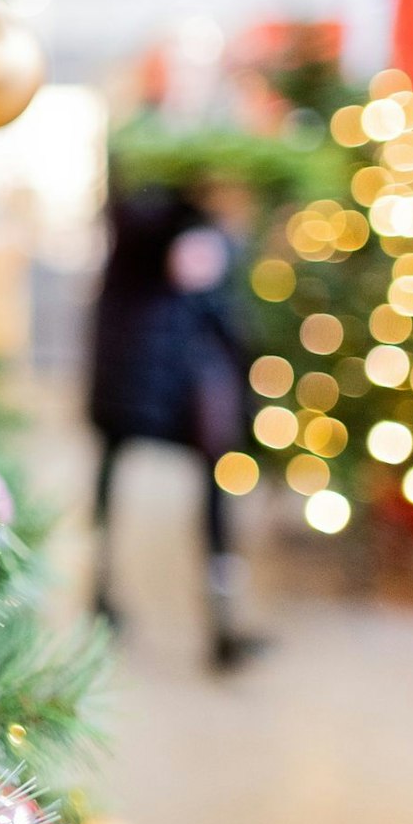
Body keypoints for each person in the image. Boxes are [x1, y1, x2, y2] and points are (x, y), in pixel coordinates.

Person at [88, 181, 266, 671]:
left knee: (204, 486)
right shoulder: (152, 209)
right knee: (119, 478)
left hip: (173, 374)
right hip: (149, 373)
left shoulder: (193, 221)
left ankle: (219, 618)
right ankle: (105, 593)